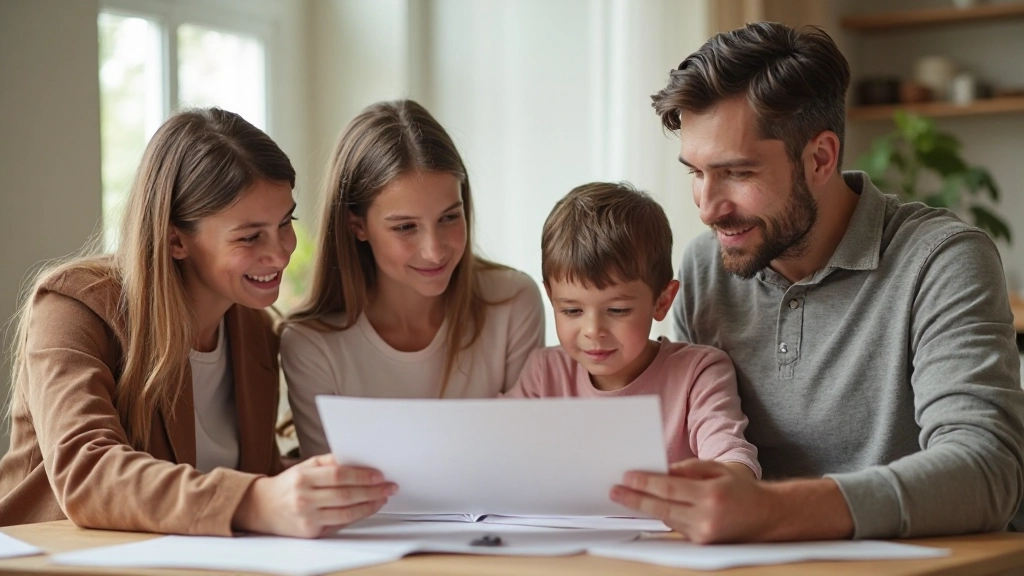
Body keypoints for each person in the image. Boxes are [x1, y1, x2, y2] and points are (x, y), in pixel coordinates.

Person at [610, 21, 1024, 543]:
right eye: (695, 172)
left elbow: (988, 471)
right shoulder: (704, 267)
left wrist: (772, 510)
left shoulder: (939, 260)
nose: (708, 208)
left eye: (736, 173)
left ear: (820, 159)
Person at [0, 108, 396, 537]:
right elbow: (88, 471)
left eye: (286, 223)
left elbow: (242, 469)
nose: (281, 253)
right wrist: (256, 500)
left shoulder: (255, 330)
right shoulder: (73, 307)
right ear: (175, 240)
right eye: (249, 236)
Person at [281, 100, 545, 458]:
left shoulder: (513, 301)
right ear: (356, 225)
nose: (435, 251)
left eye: (449, 218)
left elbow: (526, 458)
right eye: (406, 227)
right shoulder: (311, 344)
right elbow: (332, 492)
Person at [505, 182, 760, 479]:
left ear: (662, 301)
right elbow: (494, 444)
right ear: (551, 298)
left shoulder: (698, 373)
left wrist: (728, 485)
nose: (593, 330)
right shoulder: (544, 373)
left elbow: (730, 458)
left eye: (617, 310)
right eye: (572, 310)